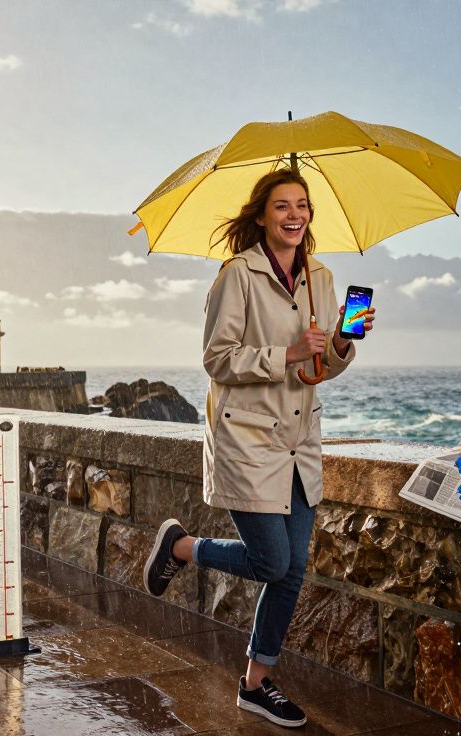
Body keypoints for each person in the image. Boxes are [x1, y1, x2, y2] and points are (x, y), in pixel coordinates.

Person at [142, 169, 374, 728]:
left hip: (300, 443)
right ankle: (181, 548)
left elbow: (320, 369)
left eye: (302, 205)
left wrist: (341, 343)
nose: (293, 215)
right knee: (273, 560)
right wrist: (287, 353)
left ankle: (256, 683)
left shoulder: (322, 276)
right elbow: (217, 359)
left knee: (292, 572)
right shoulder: (237, 275)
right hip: (246, 440)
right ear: (263, 216)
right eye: (281, 206)